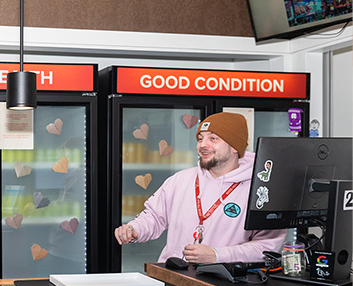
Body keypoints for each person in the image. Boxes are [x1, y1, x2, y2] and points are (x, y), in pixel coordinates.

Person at [114, 112, 285, 264]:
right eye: (200, 138)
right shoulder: (181, 179)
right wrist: (134, 229)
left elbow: (266, 248)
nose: (203, 145)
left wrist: (217, 256)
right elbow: (154, 217)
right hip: (174, 278)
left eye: (213, 138)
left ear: (235, 147)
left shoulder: (261, 190)